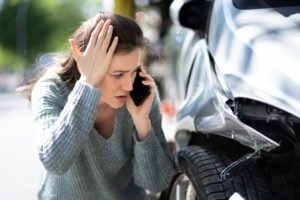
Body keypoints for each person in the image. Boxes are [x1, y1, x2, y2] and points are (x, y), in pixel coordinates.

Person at [28, 12, 175, 200]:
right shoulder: (52, 89)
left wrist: (141, 123)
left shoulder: (141, 92)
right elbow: (54, 161)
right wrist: (88, 84)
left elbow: (156, 183)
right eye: (118, 74)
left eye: (133, 71)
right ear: (86, 65)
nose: (129, 85)